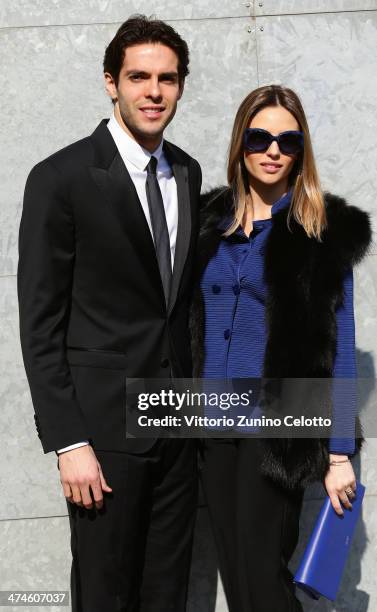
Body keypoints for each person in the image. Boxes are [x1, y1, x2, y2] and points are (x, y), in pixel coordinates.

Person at [18, 14, 201, 612]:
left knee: (165, 593)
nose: (154, 91)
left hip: (176, 423)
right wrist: (68, 440)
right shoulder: (60, 178)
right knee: (104, 594)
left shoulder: (189, 172)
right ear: (110, 82)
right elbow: (40, 323)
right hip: (102, 434)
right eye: (139, 77)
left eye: (167, 79)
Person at [190, 85, 371, 611]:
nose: (273, 150)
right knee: (239, 581)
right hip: (211, 425)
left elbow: (340, 348)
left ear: (301, 151)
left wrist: (339, 452)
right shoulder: (208, 224)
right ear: (240, 143)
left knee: (264, 578)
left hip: (278, 427)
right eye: (260, 137)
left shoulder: (320, 231)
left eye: (288, 141)